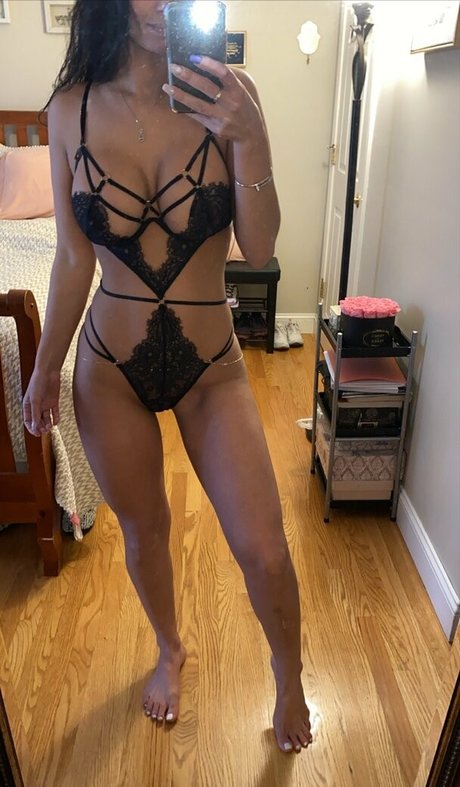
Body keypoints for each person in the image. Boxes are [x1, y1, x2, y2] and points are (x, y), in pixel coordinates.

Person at [23, 0, 312, 754]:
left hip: (211, 369)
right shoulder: (70, 110)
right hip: (109, 370)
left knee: (265, 550)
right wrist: (45, 367)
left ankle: (288, 673)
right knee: (145, 530)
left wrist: (251, 137)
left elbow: (259, 249)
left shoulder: (230, 96)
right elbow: (72, 257)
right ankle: (169, 648)